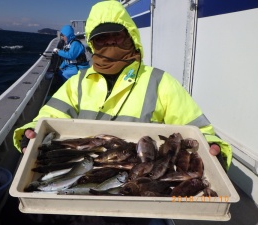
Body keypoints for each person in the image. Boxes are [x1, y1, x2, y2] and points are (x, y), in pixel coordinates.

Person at [13, 0, 232, 224]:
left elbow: (197, 128)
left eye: (116, 35)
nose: (110, 42)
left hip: (143, 208)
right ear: (92, 43)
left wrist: (215, 149)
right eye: (101, 38)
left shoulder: (160, 82)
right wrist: (30, 131)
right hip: (88, 206)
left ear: (131, 36)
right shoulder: (77, 82)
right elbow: (49, 118)